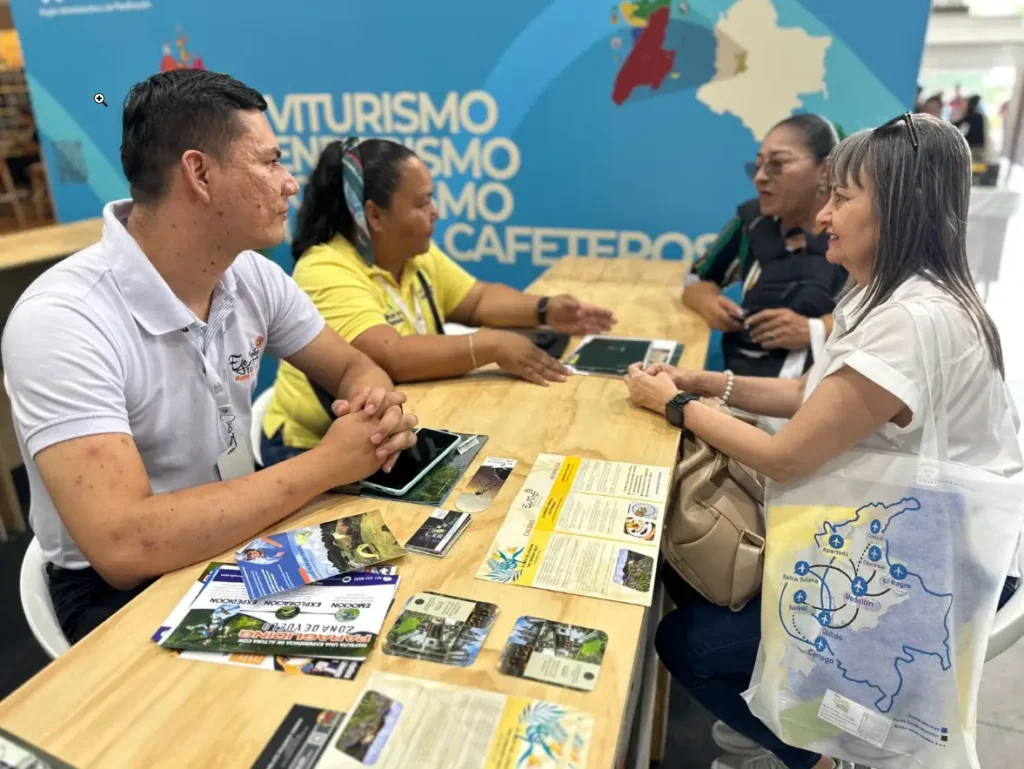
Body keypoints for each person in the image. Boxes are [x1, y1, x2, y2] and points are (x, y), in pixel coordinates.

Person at [624, 114, 1021, 769]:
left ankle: (822, 753)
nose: (823, 213)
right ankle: (804, 719)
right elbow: (808, 395)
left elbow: (786, 455)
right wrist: (701, 382)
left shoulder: (914, 320)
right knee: (701, 570)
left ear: (897, 207)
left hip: (933, 577)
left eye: (841, 197)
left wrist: (674, 405)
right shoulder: (881, 295)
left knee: (691, 642)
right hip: (903, 540)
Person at [0, 70, 418, 644]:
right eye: (270, 162)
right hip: (125, 587)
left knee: (402, 615)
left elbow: (353, 367)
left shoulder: (251, 276)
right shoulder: (62, 320)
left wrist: (374, 409)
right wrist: (330, 463)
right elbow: (124, 545)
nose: (289, 183)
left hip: (242, 526)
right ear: (199, 174)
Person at [261, 138, 616, 465]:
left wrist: (544, 309)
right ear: (375, 215)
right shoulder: (325, 268)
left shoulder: (413, 254)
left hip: (397, 431)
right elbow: (389, 354)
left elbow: (477, 299)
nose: (436, 212)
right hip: (311, 448)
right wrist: (491, 344)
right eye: (422, 202)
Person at [683, 114, 847, 379]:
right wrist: (707, 302)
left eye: (777, 164)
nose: (760, 177)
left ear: (825, 170)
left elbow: (889, 317)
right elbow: (696, 279)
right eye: (757, 166)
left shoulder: (857, 229)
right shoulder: (752, 222)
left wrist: (817, 329)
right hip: (740, 383)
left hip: (822, 390)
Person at [955, 95, 988, 163]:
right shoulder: (979, 116)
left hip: (974, 147)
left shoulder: (971, 117)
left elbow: (958, 125)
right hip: (979, 146)